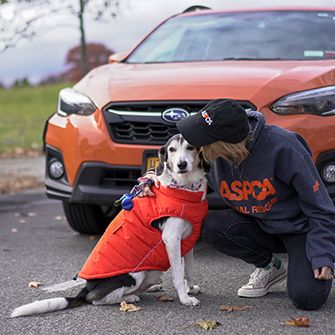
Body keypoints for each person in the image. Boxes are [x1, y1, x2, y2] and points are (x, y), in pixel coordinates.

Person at [142, 98, 335, 310]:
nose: (195, 147)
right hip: (258, 225)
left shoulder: (285, 147)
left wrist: (322, 254)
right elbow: (180, 180)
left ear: (224, 144)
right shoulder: (211, 156)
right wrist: (151, 179)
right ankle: (270, 266)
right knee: (211, 225)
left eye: (201, 140)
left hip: (299, 230)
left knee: (306, 298)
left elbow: (321, 208)